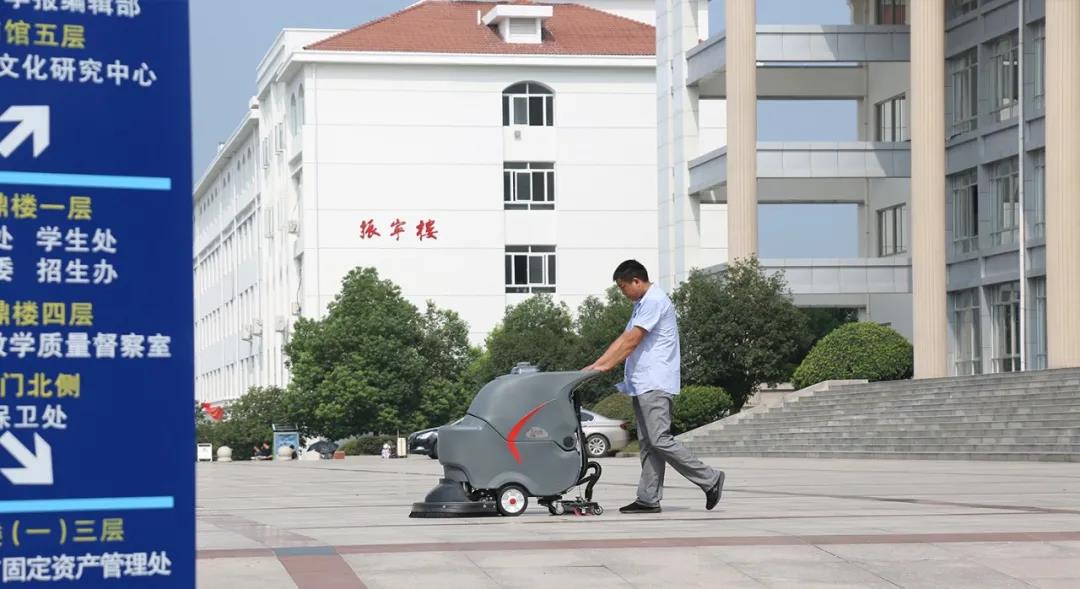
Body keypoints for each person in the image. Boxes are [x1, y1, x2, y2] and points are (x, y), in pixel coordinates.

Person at [584, 259, 725, 513]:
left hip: (655, 383)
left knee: (659, 439)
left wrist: (604, 367)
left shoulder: (654, 301)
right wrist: (597, 364)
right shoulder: (642, 305)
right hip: (643, 383)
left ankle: (710, 478)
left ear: (636, 281)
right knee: (649, 442)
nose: (623, 293)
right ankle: (648, 498)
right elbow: (624, 339)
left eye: (623, 287)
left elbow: (632, 342)